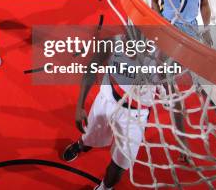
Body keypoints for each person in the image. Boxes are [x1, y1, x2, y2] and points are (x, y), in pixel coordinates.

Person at [62, 32, 166, 190]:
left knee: (121, 164)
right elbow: (92, 67)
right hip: (107, 98)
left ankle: (105, 187)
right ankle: (81, 144)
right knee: (89, 134)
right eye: (127, 34)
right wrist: (80, 105)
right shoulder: (113, 42)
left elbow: (169, 88)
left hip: (136, 115)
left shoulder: (160, 57)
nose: (126, 40)